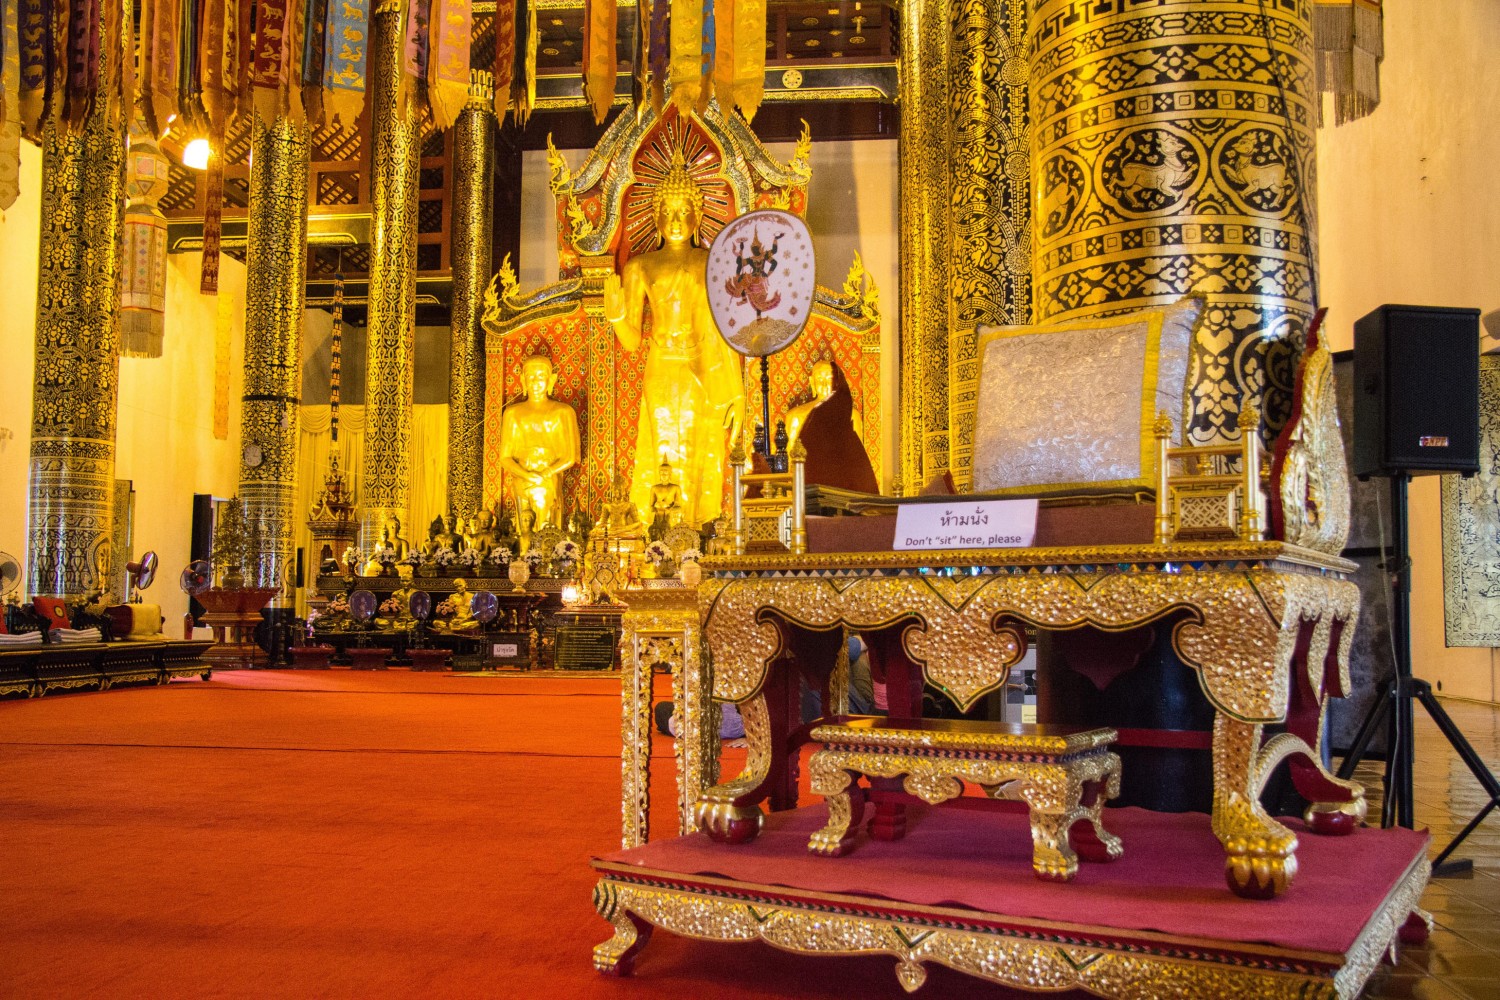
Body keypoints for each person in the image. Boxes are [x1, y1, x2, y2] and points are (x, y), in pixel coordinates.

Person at [603, 147, 745, 528]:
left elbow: (724, 329)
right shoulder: (640, 266)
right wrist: (617, 317)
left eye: (685, 210)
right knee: (662, 446)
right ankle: (657, 533)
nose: (677, 219)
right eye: (668, 210)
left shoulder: (709, 261)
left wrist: (739, 392)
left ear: (698, 216)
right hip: (662, 368)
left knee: (703, 451)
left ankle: (699, 531)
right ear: (656, 216)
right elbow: (632, 340)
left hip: (704, 368)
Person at [497, 355, 581, 533]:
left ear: (551, 380)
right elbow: (505, 457)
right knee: (523, 530)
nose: (535, 382)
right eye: (531, 376)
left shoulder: (563, 412)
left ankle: (548, 558)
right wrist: (526, 474)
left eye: (541, 376)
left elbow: (570, 457)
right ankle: (523, 557)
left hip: (548, 479)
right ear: (522, 380)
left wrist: (545, 473)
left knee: (546, 527)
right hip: (522, 479)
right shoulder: (512, 413)